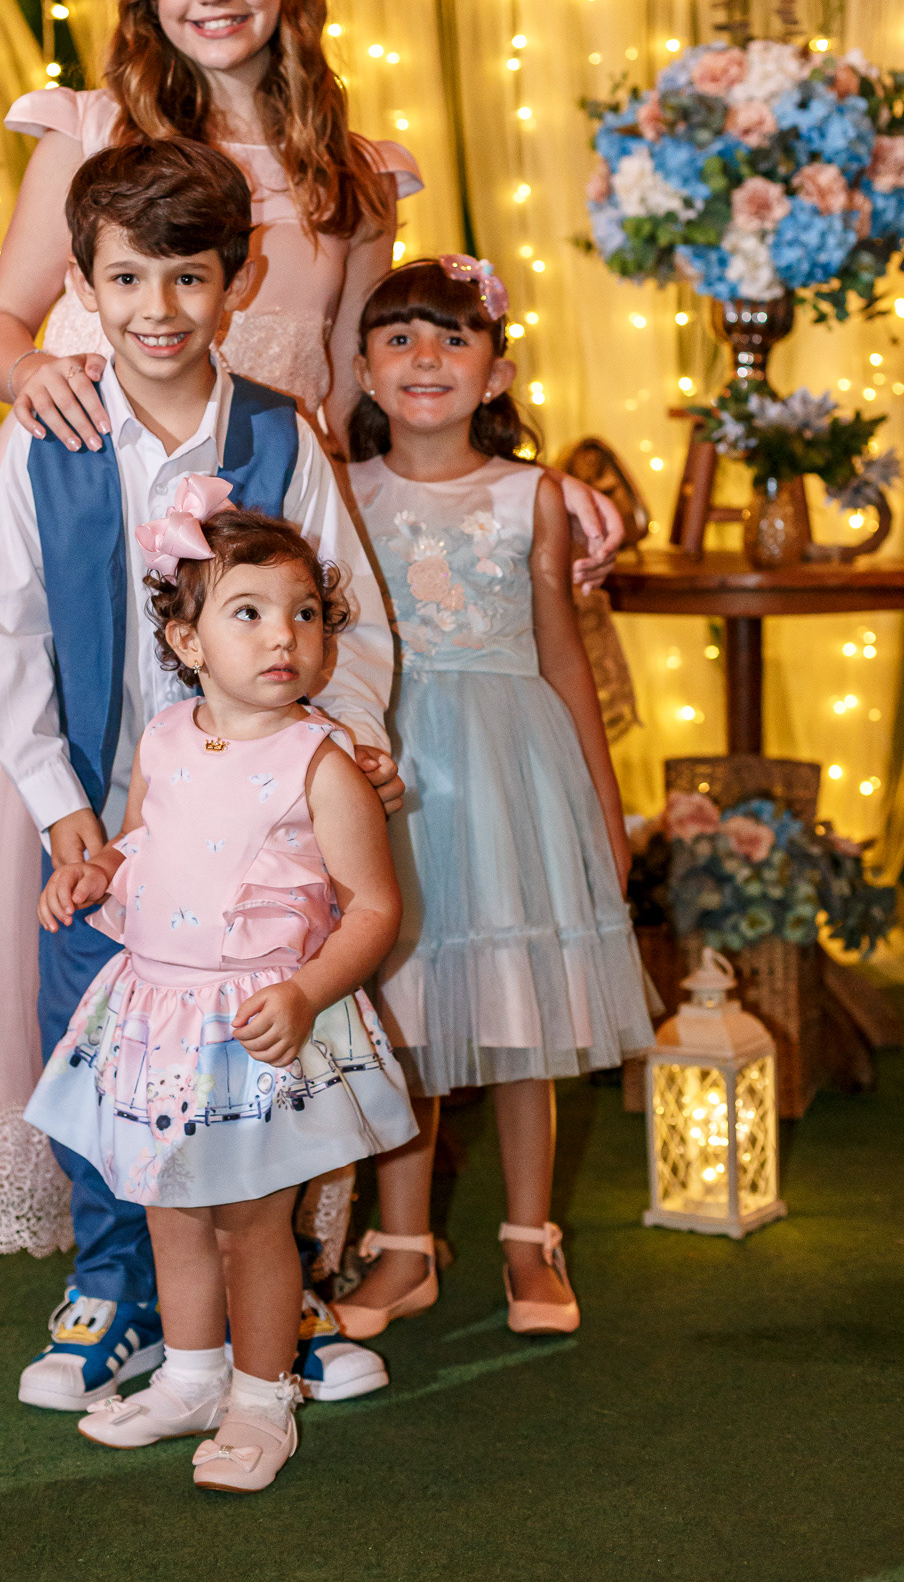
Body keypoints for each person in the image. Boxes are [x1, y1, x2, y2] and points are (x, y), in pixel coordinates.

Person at [0, 0, 620, 1322]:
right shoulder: (91, 130)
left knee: (265, 890)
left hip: (267, 564)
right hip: (106, 533)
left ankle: (281, 1224)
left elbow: (354, 394)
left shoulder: (352, 173)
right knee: (109, 885)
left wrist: (528, 481)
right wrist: (37, 386)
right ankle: (123, 1247)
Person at [0, 137, 406, 1413]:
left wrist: (347, 741)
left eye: (188, 277)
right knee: (106, 1050)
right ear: (81, 287)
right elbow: (4, 629)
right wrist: (61, 809)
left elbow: (348, 608)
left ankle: (278, 1300)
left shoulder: (279, 433)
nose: (157, 309)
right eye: (125, 279)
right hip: (110, 806)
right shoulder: (46, 434)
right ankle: (117, 1287)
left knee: (264, 1062)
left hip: (261, 819)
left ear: (238, 279)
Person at [25, 507, 416, 1493]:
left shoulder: (322, 763)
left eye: (304, 613)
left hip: (257, 1026)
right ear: (188, 642)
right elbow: (142, 839)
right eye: (249, 612)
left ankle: (261, 1394)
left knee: (250, 1219)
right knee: (170, 1204)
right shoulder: (165, 736)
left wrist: (308, 991)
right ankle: (194, 1378)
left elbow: (374, 907)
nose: (284, 635)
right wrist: (99, 870)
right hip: (161, 1015)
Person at [330, 258, 654, 1343]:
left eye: (454, 338)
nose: (427, 359)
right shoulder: (339, 492)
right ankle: (404, 1246)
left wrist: (600, 807)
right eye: (400, 339)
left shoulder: (534, 496)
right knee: (404, 1010)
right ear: (363, 370)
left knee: (520, 1014)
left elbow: (563, 657)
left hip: (514, 774)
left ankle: (528, 1237)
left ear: (497, 372)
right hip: (393, 776)